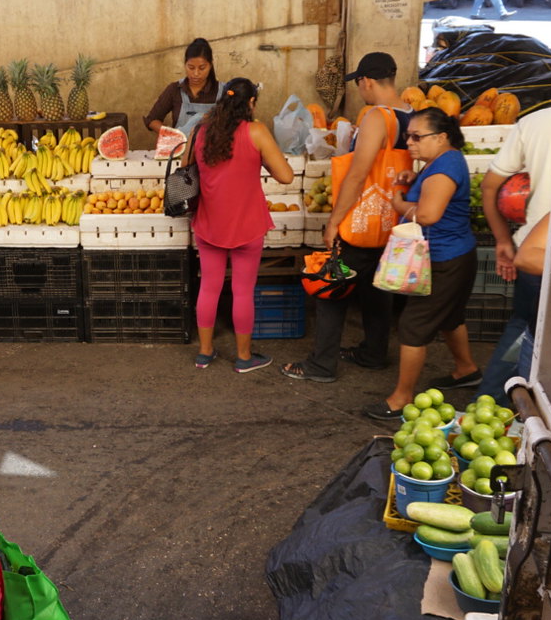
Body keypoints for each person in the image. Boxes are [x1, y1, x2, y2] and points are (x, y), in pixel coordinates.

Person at [283, 52, 411, 383]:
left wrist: (334, 222)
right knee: (377, 288)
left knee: (331, 286)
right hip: (390, 220)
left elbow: (357, 174)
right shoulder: (411, 113)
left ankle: (322, 365)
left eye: (359, 83)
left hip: (362, 217)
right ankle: (373, 353)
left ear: (366, 81)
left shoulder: (377, 117)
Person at [366, 108, 481, 420]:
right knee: (450, 317)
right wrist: (417, 179)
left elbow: (429, 215)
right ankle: (466, 369)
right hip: (456, 255)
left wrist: (400, 201)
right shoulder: (443, 162)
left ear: (441, 137)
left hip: (445, 259)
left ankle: (401, 398)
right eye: (408, 136)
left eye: (418, 137)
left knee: (413, 326)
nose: (410, 143)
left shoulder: (444, 168)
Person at [189, 78, 296, 372]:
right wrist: (259, 160)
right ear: (251, 103)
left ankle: (205, 352)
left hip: (209, 222)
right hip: (247, 225)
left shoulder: (201, 131)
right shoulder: (256, 132)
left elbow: (194, 168)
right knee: (243, 291)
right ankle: (244, 358)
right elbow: (286, 176)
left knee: (208, 288)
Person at [478, 103, 551, 401]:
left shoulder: (535, 122)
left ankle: (488, 404)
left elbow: (489, 187)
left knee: (523, 329)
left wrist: (503, 241)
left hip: (533, 254)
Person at [143, 38, 222, 141]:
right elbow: (152, 120)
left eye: (202, 68)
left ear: (210, 65)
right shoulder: (174, 90)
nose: (196, 73)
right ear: (185, 64)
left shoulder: (223, 92)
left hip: (211, 152)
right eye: (191, 67)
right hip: (179, 151)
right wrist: (172, 134)